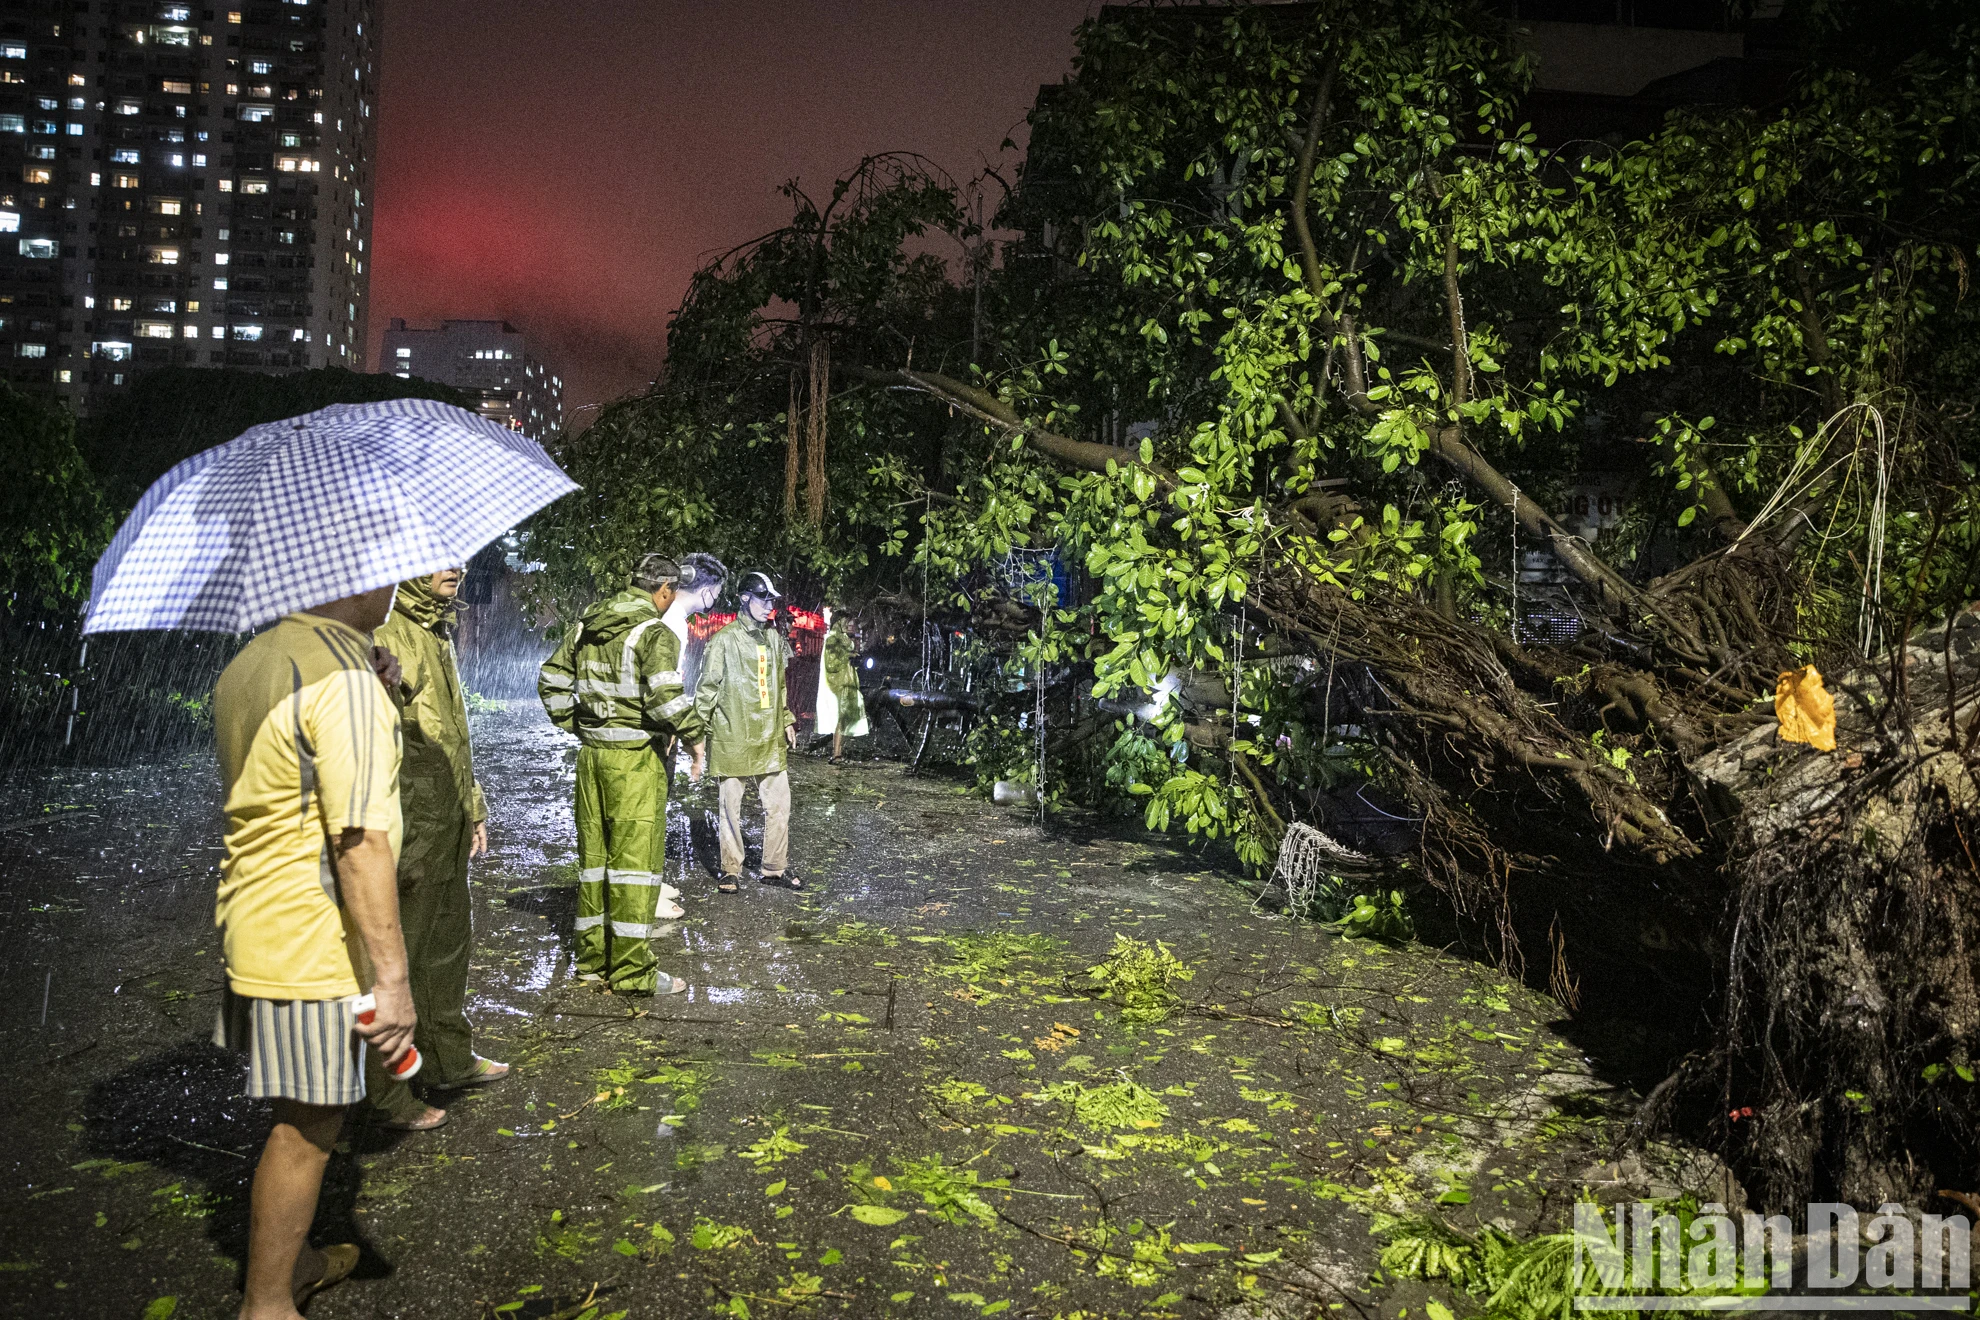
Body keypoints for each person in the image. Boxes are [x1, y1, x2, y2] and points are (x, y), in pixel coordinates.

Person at [210, 583, 418, 1319]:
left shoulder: (257, 658)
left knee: (300, 1112)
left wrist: (374, 684)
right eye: (383, 564)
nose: (395, 582)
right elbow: (358, 840)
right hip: (311, 941)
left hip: (252, 918)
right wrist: (393, 978)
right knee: (310, 1126)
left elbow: (286, 779)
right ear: (348, 576)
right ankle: (268, 1302)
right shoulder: (343, 682)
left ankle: (293, 1256)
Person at [360, 568, 507, 1133]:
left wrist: (472, 806)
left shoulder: (436, 630)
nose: (456, 568)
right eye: (439, 559)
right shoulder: (387, 632)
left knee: (447, 945)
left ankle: (447, 1061)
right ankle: (384, 1092)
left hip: (445, 818)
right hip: (409, 825)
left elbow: (450, 734)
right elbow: (374, 741)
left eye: (459, 557)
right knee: (396, 959)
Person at [537, 554, 705, 994]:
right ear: (664, 590)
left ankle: (592, 962)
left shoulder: (587, 625)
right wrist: (695, 737)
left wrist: (582, 726)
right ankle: (633, 972)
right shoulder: (653, 632)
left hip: (592, 760)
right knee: (635, 868)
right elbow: (667, 698)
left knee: (595, 864)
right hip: (634, 762)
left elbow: (552, 681)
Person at [694, 570, 800, 892]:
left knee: (780, 802)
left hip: (768, 734)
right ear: (744, 598)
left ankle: (774, 867)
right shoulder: (723, 641)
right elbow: (707, 689)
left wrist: (786, 719)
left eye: (772, 600)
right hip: (732, 731)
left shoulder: (773, 639)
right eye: (763, 599)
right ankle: (731, 869)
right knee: (730, 806)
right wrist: (696, 734)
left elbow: (778, 687)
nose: (770, 606)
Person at [814, 606, 868, 764]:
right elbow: (831, 664)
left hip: (846, 682)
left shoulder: (843, 638)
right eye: (845, 621)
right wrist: (849, 656)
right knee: (840, 719)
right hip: (837, 685)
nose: (847, 624)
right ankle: (836, 754)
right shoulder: (832, 639)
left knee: (843, 719)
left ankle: (838, 753)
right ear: (837, 621)